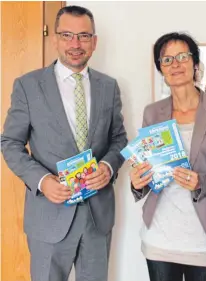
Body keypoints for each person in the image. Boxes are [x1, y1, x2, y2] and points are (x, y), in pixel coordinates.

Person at [1, 5, 127, 281]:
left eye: (83, 36)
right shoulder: (28, 85)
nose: (75, 44)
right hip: (49, 215)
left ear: (94, 42)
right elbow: (10, 143)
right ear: (54, 39)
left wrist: (108, 166)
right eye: (67, 35)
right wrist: (42, 180)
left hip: (97, 217)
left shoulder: (109, 86)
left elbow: (119, 139)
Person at [129, 32, 206, 281]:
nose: (175, 64)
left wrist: (201, 181)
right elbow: (148, 165)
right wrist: (138, 181)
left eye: (182, 56)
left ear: (196, 64)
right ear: (161, 69)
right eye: (167, 60)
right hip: (159, 234)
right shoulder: (152, 112)